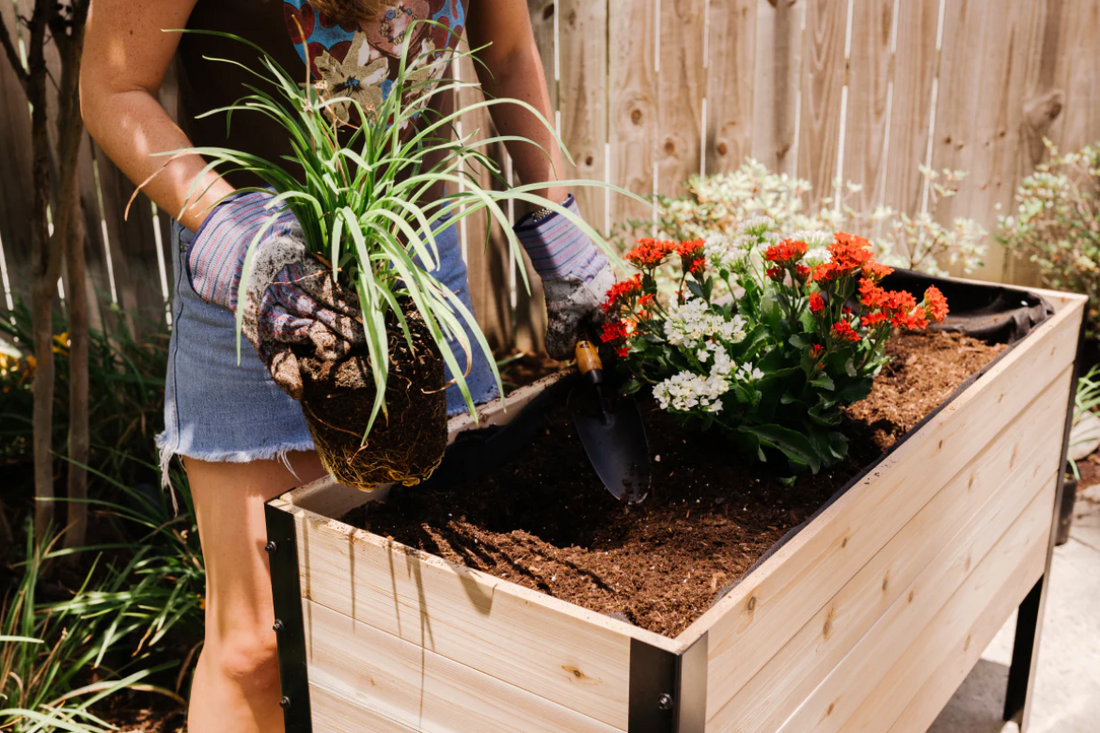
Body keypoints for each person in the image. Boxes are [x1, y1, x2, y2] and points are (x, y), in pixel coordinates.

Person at [80, 2, 612, 731]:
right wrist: (240, 244)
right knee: (257, 646)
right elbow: (112, 88)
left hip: (415, 264)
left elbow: (510, 51)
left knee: (428, 605)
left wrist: (554, 224)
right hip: (258, 265)